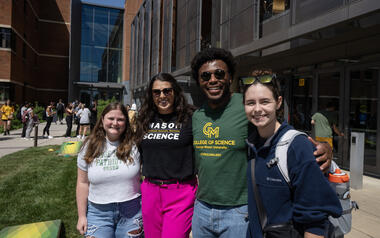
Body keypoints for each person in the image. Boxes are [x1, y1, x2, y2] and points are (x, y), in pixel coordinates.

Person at [190, 47, 333, 237]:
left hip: (238, 212)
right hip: (202, 209)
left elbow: (280, 134)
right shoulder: (197, 116)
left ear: (230, 77)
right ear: (199, 82)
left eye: (219, 73)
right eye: (206, 76)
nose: (213, 80)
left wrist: (323, 148)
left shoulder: (247, 104)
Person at [242, 70, 342, 238]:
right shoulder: (253, 144)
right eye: (251, 103)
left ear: (278, 102)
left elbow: (315, 219)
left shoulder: (297, 147)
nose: (257, 109)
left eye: (265, 101)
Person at [134, 73, 197, 238]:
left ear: (175, 92)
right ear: (151, 95)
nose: (162, 95)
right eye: (157, 92)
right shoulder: (144, 119)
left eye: (167, 91)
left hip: (180, 191)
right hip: (150, 190)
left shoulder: (191, 117)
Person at [76, 102, 143, 237]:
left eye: (120, 119)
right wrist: (82, 216)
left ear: (126, 122)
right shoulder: (88, 146)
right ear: (102, 120)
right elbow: (82, 183)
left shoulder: (135, 145)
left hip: (131, 210)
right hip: (98, 212)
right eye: (111, 118)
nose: (115, 123)